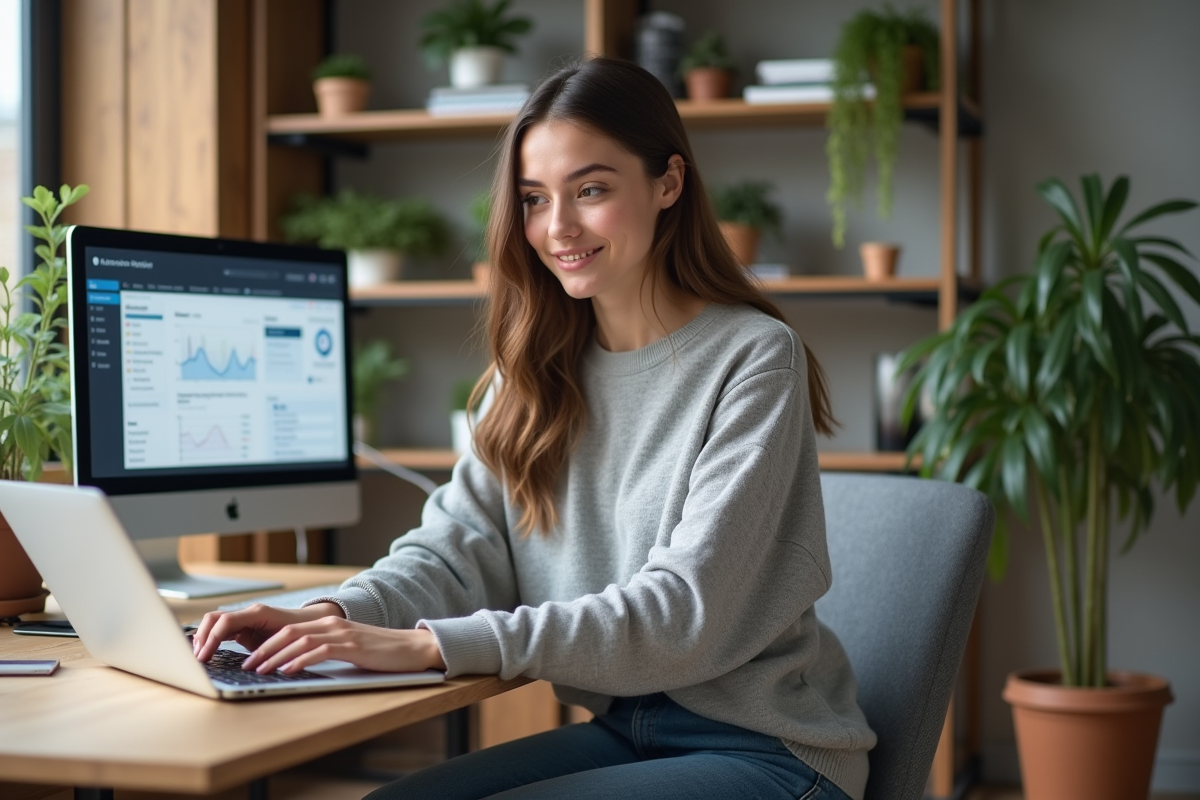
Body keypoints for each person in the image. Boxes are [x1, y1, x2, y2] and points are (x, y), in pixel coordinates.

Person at [193, 57, 875, 800]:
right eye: (533, 198)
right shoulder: (533, 373)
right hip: (625, 732)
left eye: (591, 190)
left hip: (769, 749)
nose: (558, 228)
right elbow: (454, 556)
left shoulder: (750, 359)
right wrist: (332, 615)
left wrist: (427, 646)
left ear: (669, 183)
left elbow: (682, 617)